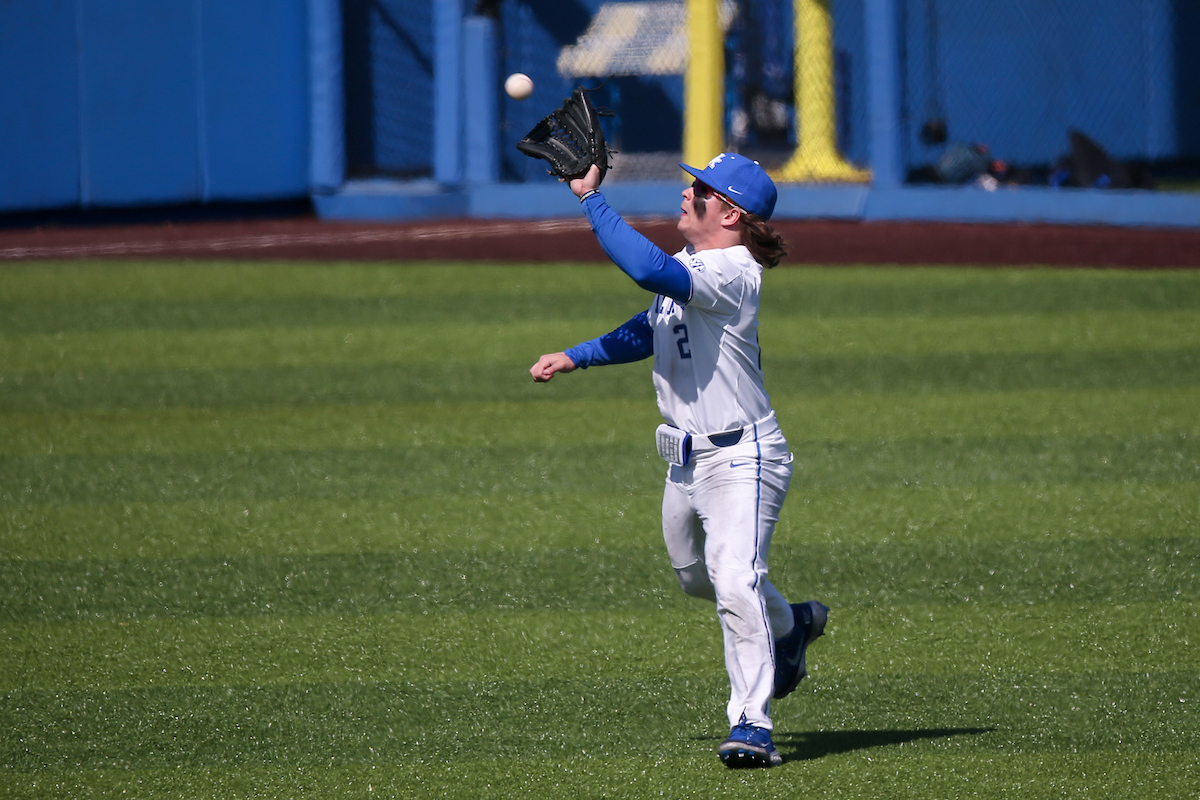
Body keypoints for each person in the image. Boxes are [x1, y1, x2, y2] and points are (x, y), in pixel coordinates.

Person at [529, 153, 829, 769]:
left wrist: (591, 200)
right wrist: (576, 354)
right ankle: (790, 626)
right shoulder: (693, 267)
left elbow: (644, 270)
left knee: (733, 579)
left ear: (730, 212)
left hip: (743, 457)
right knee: (696, 576)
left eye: (700, 188)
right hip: (687, 463)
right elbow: (651, 327)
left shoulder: (734, 272)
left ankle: (752, 723)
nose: (687, 194)